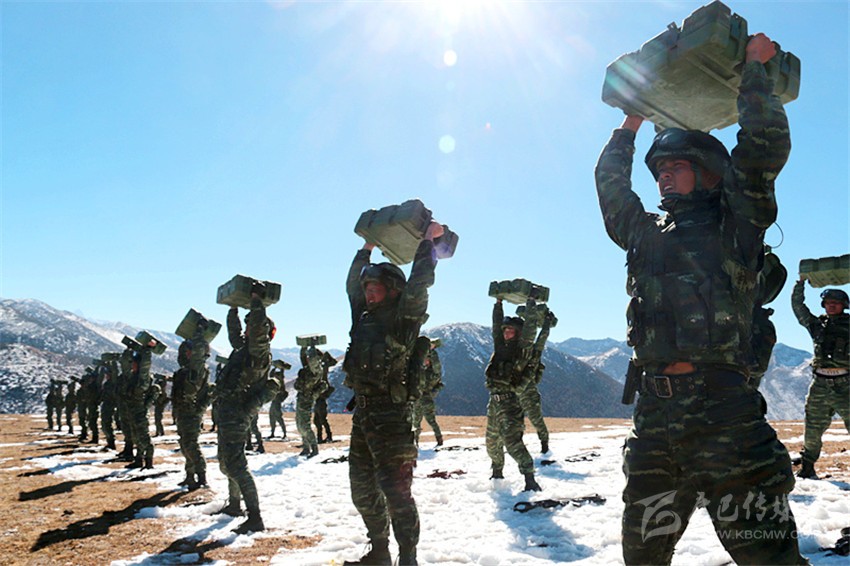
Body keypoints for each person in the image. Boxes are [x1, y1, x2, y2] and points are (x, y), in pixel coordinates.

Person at [595, 33, 805, 565]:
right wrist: (632, 121)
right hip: (655, 420)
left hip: (725, 418)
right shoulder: (646, 235)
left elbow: (761, 151)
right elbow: (611, 186)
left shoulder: (736, 225)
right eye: (660, 170)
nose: (665, 175)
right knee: (642, 558)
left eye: (677, 167)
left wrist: (754, 71)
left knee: (769, 559)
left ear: (708, 174)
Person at [341, 221, 443, 566]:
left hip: (393, 417)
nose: (369, 294)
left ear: (393, 291)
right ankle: (380, 551)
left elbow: (419, 282)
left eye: (376, 289)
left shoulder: (404, 320)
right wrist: (367, 247)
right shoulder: (363, 318)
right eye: (368, 288)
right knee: (362, 490)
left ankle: (408, 558)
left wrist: (428, 241)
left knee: (397, 494)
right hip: (364, 416)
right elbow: (351, 286)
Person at [213, 285, 279, 534]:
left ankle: (255, 517)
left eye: (252, 325)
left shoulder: (259, 351)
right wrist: (233, 309)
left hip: (239, 413)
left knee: (236, 465)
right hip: (228, 411)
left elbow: (259, 329)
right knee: (226, 462)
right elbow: (235, 335)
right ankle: (234, 505)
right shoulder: (244, 349)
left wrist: (256, 301)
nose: (248, 329)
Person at [484, 299, 549, 491]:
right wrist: (498, 304)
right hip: (494, 402)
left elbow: (530, 330)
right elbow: (495, 327)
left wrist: (531, 304)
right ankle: (497, 473)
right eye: (505, 330)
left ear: (518, 333)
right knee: (492, 441)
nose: (506, 333)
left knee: (512, 442)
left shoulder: (522, 350)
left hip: (510, 403)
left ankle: (530, 478)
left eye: (510, 330)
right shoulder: (500, 348)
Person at [791, 281, 849, 479]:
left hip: (846, 385)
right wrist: (799, 285)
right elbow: (799, 308)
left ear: (844, 305)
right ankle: (807, 468)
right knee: (812, 430)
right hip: (820, 385)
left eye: (836, 302)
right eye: (828, 302)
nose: (831, 305)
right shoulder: (817, 325)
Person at [172, 325, 212, 490]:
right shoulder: (185, 370)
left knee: (191, 445)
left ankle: (202, 477)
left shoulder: (199, 369)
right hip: (183, 412)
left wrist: (198, 337)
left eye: (190, 351)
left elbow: (197, 358)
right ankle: (189, 476)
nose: (187, 354)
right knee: (185, 445)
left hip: (192, 413)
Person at [517, 306, 553, 454]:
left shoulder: (534, 352)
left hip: (529, 393)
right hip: (515, 391)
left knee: (536, 420)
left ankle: (544, 444)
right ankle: (517, 445)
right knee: (516, 422)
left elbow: (542, 338)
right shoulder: (515, 349)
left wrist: (547, 324)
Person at [125, 341, 156, 469]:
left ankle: (149, 462)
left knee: (144, 438)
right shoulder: (133, 377)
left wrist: (147, 350)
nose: (132, 365)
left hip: (140, 412)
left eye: (134, 363)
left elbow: (145, 366)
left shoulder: (142, 377)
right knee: (136, 437)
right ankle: (138, 460)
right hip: (133, 411)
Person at [294, 345, 329, 457]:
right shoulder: (308, 368)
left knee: (305, 425)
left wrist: (312, 348)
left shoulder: (317, 370)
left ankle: (314, 448)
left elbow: (312, 361)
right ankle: (306, 447)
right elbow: (303, 358)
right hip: (301, 398)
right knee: (299, 424)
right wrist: (304, 348)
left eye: (311, 357)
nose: (309, 359)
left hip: (307, 399)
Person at [413, 339, 444, 447]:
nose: (425, 361)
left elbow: (437, 365)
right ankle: (415, 442)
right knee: (416, 423)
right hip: (418, 399)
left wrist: (431, 350)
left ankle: (439, 440)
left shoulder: (433, 373)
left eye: (427, 360)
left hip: (426, 399)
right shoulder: (420, 372)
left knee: (431, 421)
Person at [100, 362, 119, 450]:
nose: (106, 376)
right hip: (105, 405)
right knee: (104, 425)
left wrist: (112, 363)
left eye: (107, 374)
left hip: (110, 406)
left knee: (107, 424)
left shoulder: (113, 383)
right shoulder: (106, 384)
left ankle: (111, 443)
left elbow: (115, 371)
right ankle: (109, 442)